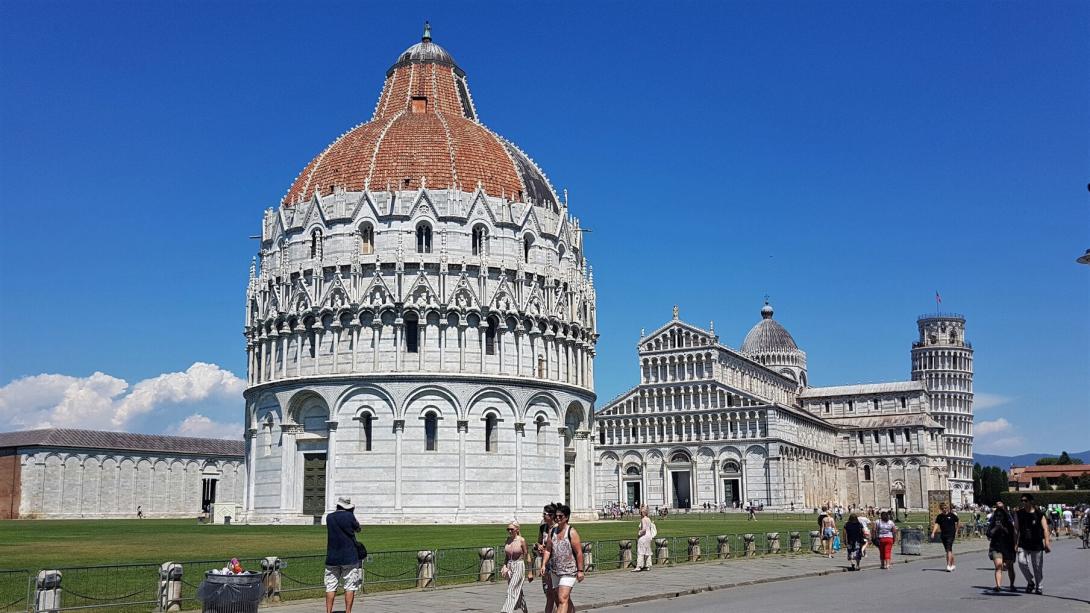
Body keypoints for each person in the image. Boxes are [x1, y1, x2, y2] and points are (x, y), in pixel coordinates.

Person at [540, 504, 584, 613]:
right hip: (555, 571)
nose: (558, 518)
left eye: (561, 516)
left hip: (569, 570)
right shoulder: (553, 531)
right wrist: (543, 564)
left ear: (567, 517)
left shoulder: (571, 532)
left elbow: (579, 552)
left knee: (562, 598)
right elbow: (548, 550)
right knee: (559, 598)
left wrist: (580, 571)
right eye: (557, 516)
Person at [324, 497, 362, 613]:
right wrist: (352, 514)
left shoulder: (329, 517)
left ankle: (329, 611)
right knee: (350, 586)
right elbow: (358, 529)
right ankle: (348, 611)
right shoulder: (349, 516)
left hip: (332, 556)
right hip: (349, 556)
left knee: (330, 586)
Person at [1015, 493, 1051, 595]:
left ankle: (1039, 586)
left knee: (1038, 566)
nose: (1023, 502)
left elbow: (1045, 529)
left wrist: (1047, 542)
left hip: (1036, 543)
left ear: (1031, 501)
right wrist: (1015, 543)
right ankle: (1030, 581)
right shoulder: (1019, 513)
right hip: (1023, 543)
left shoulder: (1039, 514)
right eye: (1022, 500)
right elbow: (1016, 530)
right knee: (1021, 562)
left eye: (1025, 500)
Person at [986, 500, 1018, 593]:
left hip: (1008, 546)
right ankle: (998, 586)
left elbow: (1012, 534)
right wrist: (996, 528)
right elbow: (988, 535)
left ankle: (1012, 585)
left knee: (1010, 567)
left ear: (1004, 516)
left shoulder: (1008, 524)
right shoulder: (993, 524)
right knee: (998, 566)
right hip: (996, 547)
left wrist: (1003, 528)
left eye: (1000, 516)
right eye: (997, 516)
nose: (999, 517)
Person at [500, 522, 531, 613]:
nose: (509, 531)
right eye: (508, 529)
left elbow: (527, 555)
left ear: (517, 530)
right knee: (518, 590)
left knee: (512, 588)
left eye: (511, 529)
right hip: (509, 565)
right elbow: (506, 556)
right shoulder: (508, 540)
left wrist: (529, 572)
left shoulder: (521, 540)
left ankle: (506, 610)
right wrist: (504, 566)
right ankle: (525, 610)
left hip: (519, 565)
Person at [536, 503, 558, 613]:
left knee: (558, 594)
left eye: (545, 514)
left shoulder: (559, 528)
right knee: (547, 592)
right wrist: (539, 546)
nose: (543, 516)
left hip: (557, 565)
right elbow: (538, 542)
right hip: (545, 563)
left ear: (552, 515)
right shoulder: (543, 527)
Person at [931, 502, 960, 572]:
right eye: (943, 508)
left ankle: (948, 565)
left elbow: (958, 521)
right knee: (948, 550)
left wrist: (956, 531)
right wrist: (933, 532)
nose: (945, 509)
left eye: (946, 508)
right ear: (941, 509)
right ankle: (953, 564)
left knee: (948, 549)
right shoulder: (939, 517)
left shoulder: (952, 515)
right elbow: (936, 524)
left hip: (951, 534)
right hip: (943, 535)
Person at [634, 505, 654, 572]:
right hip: (649, 536)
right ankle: (648, 565)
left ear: (642, 513)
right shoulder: (649, 519)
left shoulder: (643, 519)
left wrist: (639, 533)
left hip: (643, 537)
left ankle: (639, 566)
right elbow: (650, 528)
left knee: (640, 551)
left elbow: (644, 529)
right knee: (647, 551)